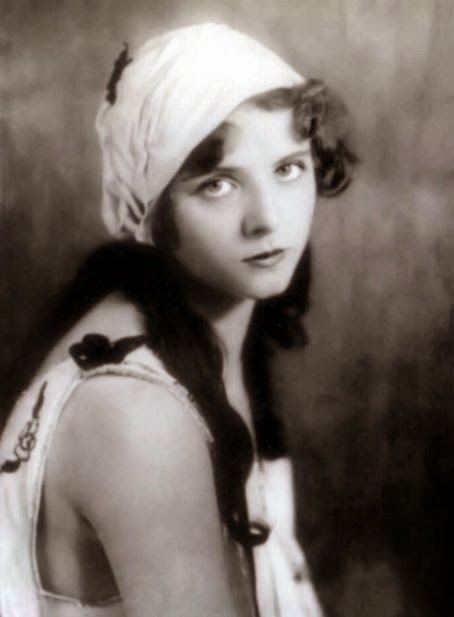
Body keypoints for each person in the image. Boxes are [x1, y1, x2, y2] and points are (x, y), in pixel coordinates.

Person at [0, 23, 356, 617]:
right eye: (218, 184)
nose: (268, 219)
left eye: (288, 168)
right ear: (149, 207)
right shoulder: (135, 411)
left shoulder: (212, 331)